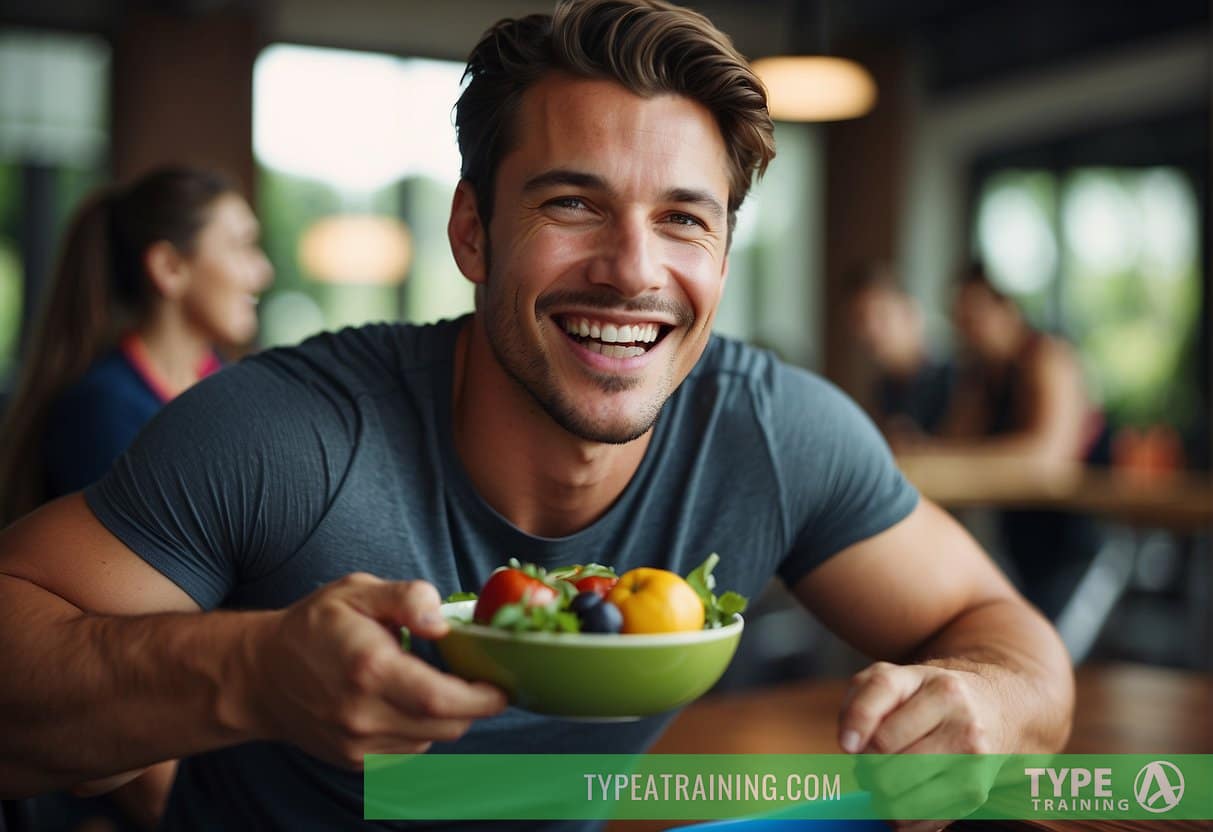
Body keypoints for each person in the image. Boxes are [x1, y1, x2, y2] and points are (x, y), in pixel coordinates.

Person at [0, 2, 1073, 830]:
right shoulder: (289, 431)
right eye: (573, 204)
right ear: (473, 231)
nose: (631, 271)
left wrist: (985, 704)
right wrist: (249, 673)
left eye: (684, 221)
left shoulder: (773, 430)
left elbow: (1008, 635)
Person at [0, 166, 273, 830]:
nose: (261, 272)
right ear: (169, 269)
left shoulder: (234, 396)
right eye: (239, 246)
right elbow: (121, 661)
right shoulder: (105, 412)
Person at [902, 264, 1107, 619]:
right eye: (960, 320)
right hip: (1019, 532)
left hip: (1077, 535)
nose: (967, 330)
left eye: (975, 316)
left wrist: (945, 456)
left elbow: (1048, 459)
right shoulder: (982, 376)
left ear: (1007, 309)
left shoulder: (1048, 358)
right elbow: (953, 446)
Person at [847, 262, 955, 441]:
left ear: (910, 312)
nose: (870, 330)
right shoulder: (883, 390)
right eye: (860, 319)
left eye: (881, 315)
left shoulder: (957, 380)